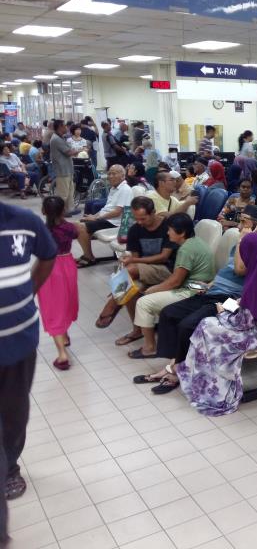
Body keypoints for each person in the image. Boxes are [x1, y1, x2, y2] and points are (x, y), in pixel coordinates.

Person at [134, 205, 257, 395]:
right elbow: (228, 270)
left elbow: (241, 270)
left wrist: (242, 241)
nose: (239, 226)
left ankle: (175, 373)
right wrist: (209, 285)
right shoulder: (240, 244)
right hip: (212, 291)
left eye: (243, 222)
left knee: (187, 325)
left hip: (229, 300)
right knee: (169, 313)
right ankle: (175, 364)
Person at [176, 233, 257, 415]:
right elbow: (256, 305)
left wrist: (222, 312)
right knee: (209, 326)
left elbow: (243, 322)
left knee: (208, 328)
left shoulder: (256, 281)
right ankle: (203, 381)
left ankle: (214, 391)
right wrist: (237, 305)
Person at [0, 200, 56, 541]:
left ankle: (10, 467)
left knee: (14, 412)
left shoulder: (23, 220)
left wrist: (27, 293)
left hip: (19, 341)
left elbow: (48, 256)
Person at [129, 213, 215, 360]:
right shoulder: (196, 242)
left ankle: (149, 348)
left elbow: (175, 282)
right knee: (150, 294)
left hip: (194, 290)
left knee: (143, 302)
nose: (167, 232)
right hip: (199, 287)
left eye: (170, 230)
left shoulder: (186, 249)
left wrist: (152, 290)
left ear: (181, 233)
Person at [96, 196, 178, 347]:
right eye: (136, 218)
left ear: (153, 212)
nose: (139, 222)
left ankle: (113, 302)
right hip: (144, 270)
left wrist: (132, 264)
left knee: (130, 273)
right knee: (131, 289)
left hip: (168, 270)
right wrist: (131, 264)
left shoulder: (167, 227)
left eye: (143, 218)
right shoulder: (135, 229)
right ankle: (137, 330)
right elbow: (135, 258)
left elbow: (164, 256)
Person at [36, 197, 78, 371]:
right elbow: (76, 234)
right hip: (68, 264)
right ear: (63, 210)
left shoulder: (41, 231)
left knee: (52, 308)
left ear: (44, 211)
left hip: (48, 268)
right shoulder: (70, 228)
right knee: (67, 302)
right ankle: (65, 335)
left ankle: (62, 355)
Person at [75, 165, 133, 267]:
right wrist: (94, 216)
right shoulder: (114, 188)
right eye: (109, 173)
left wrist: (96, 218)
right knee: (77, 224)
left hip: (115, 222)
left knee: (80, 227)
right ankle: (87, 255)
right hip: (108, 219)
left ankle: (89, 258)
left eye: (114, 173)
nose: (110, 176)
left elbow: (117, 212)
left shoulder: (125, 189)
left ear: (122, 176)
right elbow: (106, 208)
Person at [50, 120, 78, 214]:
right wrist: (80, 149)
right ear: (60, 127)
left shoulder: (61, 137)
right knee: (63, 194)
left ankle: (70, 209)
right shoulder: (56, 139)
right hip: (62, 170)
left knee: (70, 192)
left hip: (67, 169)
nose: (67, 128)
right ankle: (60, 212)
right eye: (65, 126)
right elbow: (69, 152)